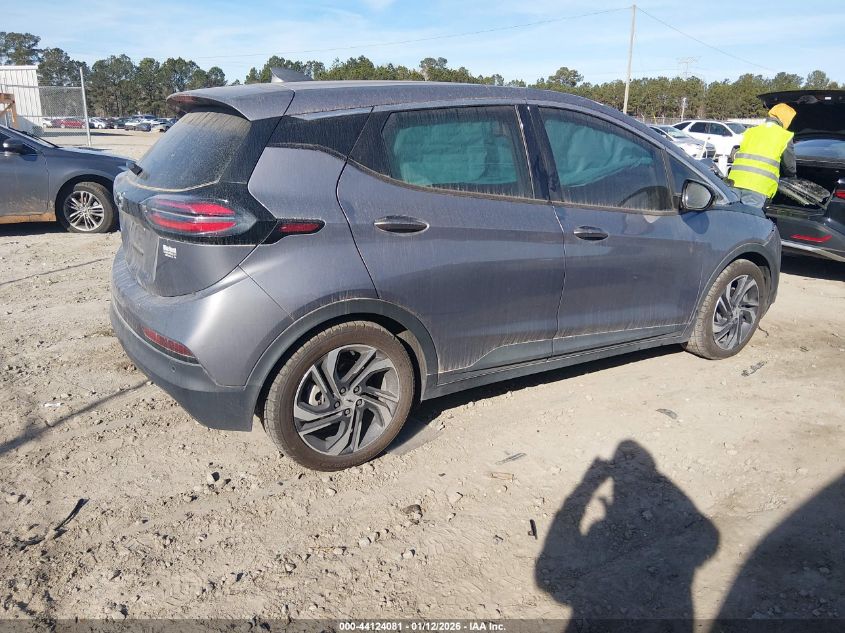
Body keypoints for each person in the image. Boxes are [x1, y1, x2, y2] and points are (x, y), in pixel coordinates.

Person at [727, 103, 797, 210]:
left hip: (734, 182)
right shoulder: (784, 136)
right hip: (757, 186)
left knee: (732, 217)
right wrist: (793, 178)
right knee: (750, 220)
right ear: (786, 119)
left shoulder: (751, 131)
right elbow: (789, 167)